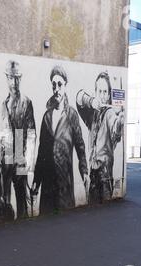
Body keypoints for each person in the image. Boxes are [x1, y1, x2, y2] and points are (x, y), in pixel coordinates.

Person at [32, 65, 89, 214]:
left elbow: (80, 147)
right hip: (47, 186)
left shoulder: (72, 116)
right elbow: (41, 153)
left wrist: (84, 171)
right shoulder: (46, 117)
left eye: (59, 84)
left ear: (65, 85)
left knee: (64, 228)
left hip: (65, 184)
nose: (56, 89)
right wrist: (36, 183)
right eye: (53, 85)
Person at [0, 61, 36, 219]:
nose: (14, 82)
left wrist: (28, 162)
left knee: (22, 199)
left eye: (17, 78)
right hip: (5, 160)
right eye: (11, 78)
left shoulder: (26, 103)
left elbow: (31, 134)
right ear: (7, 78)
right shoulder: (3, 104)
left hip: (20, 156)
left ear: (21, 78)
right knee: (4, 200)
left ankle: (23, 228)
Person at [76, 71, 124, 203]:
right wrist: (91, 101)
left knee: (105, 210)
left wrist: (120, 119)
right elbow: (79, 97)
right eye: (99, 91)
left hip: (105, 176)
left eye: (104, 92)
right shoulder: (92, 114)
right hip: (92, 173)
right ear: (95, 92)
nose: (102, 96)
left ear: (109, 95)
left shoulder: (110, 114)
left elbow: (116, 132)